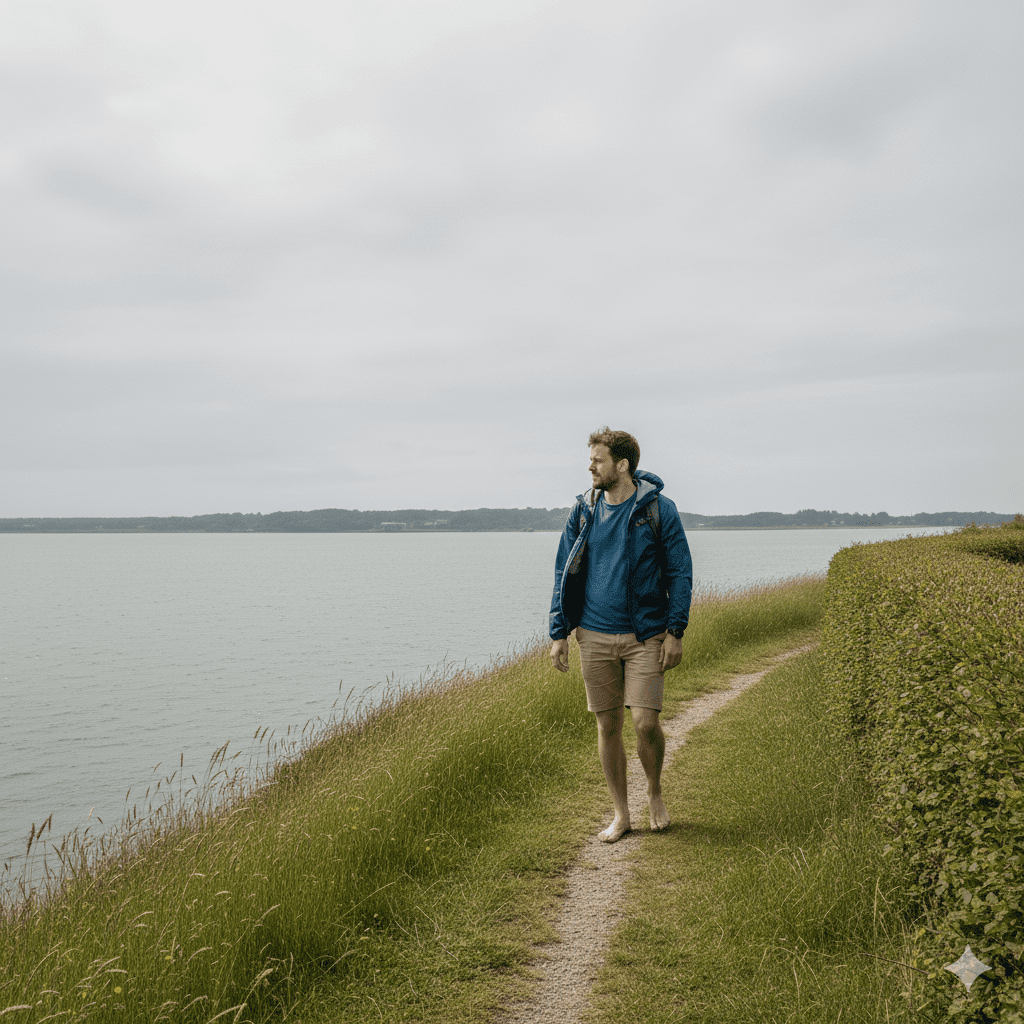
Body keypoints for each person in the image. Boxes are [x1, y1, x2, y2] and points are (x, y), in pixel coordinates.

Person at [549, 428, 693, 843]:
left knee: (645, 723)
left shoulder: (659, 510)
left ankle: (655, 792)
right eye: (591, 459)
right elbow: (563, 571)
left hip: (646, 635)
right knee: (607, 725)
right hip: (592, 636)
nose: (590, 467)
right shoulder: (583, 511)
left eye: (597, 460)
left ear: (622, 465)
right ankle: (621, 813)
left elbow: (680, 572)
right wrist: (559, 632)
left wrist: (675, 632)